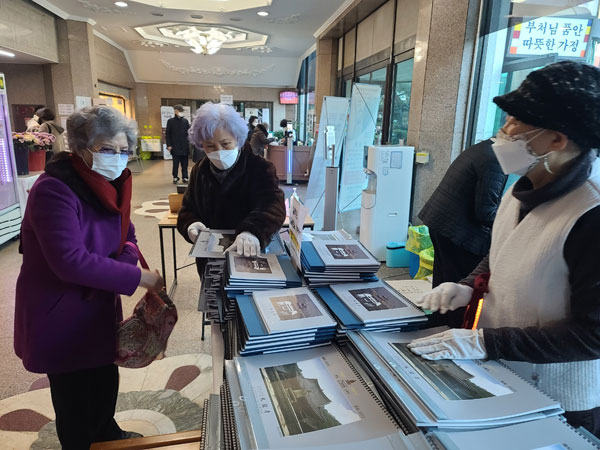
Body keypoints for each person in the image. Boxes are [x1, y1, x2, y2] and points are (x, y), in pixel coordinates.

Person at [409, 61, 600, 438]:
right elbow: (503, 251)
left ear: (556, 140)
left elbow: (593, 335)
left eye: (514, 121)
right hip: (502, 374)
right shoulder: (521, 187)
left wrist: (485, 341)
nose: (503, 130)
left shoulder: (590, 214)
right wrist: (467, 285)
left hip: (557, 399)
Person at [14, 105, 164, 449]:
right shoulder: (54, 189)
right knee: (74, 398)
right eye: (106, 149)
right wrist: (137, 276)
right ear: (80, 148)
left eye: (123, 149)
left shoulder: (110, 184)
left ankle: (107, 433)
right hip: (60, 310)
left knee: (103, 377)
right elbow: (69, 261)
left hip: (97, 303)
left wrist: (122, 261)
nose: (118, 157)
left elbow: (128, 236)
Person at [177, 103, 285, 269]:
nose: (219, 151)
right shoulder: (200, 170)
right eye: (210, 146)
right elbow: (188, 208)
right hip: (210, 261)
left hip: (249, 256)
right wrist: (190, 224)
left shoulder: (259, 167)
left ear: (238, 139)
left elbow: (273, 206)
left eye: (225, 143)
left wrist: (252, 231)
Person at [418, 139, 507, 287]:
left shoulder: (485, 148)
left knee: (444, 277)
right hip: (457, 230)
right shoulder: (495, 160)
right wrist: (509, 224)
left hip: (442, 220)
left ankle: (440, 301)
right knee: (458, 282)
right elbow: (485, 212)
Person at [165, 104, 190, 184]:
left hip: (184, 146)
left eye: (180, 111)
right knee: (175, 163)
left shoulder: (185, 121)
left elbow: (188, 133)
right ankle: (175, 177)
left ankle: (185, 177)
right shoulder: (170, 121)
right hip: (175, 146)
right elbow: (167, 134)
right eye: (177, 110)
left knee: (185, 163)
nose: (179, 112)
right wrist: (169, 145)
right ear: (175, 111)